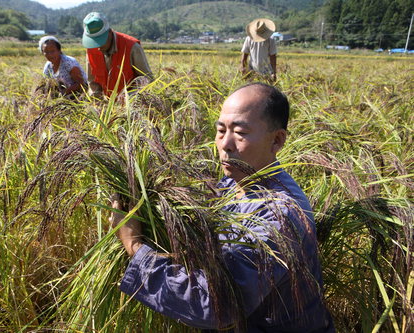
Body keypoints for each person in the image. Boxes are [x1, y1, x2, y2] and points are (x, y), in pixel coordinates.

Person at [111, 83, 335, 332]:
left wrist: (135, 246)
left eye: (240, 133)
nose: (225, 144)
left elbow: (220, 306)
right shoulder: (232, 182)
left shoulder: (279, 214)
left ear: (277, 140)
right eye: (220, 131)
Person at [81, 12, 153, 98]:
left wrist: (130, 96)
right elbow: (92, 82)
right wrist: (95, 96)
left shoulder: (132, 47)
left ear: (110, 33)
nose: (98, 47)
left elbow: (147, 79)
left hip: (130, 105)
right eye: (94, 42)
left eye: (101, 41)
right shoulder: (91, 48)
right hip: (106, 105)